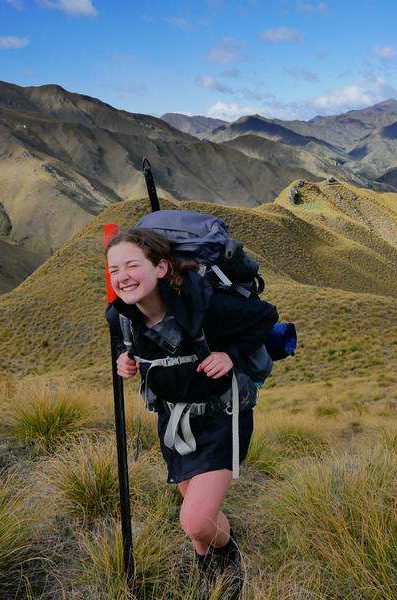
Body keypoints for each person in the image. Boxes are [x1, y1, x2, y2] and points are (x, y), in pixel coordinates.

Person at [104, 227, 278, 594]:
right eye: (114, 269)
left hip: (220, 419)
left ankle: (230, 562)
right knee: (201, 518)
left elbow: (264, 317)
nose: (122, 277)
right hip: (172, 423)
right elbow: (125, 343)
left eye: (132, 265)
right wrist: (125, 358)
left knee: (196, 521)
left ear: (162, 268)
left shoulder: (207, 305)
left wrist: (229, 355)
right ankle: (209, 572)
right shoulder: (120, 316)